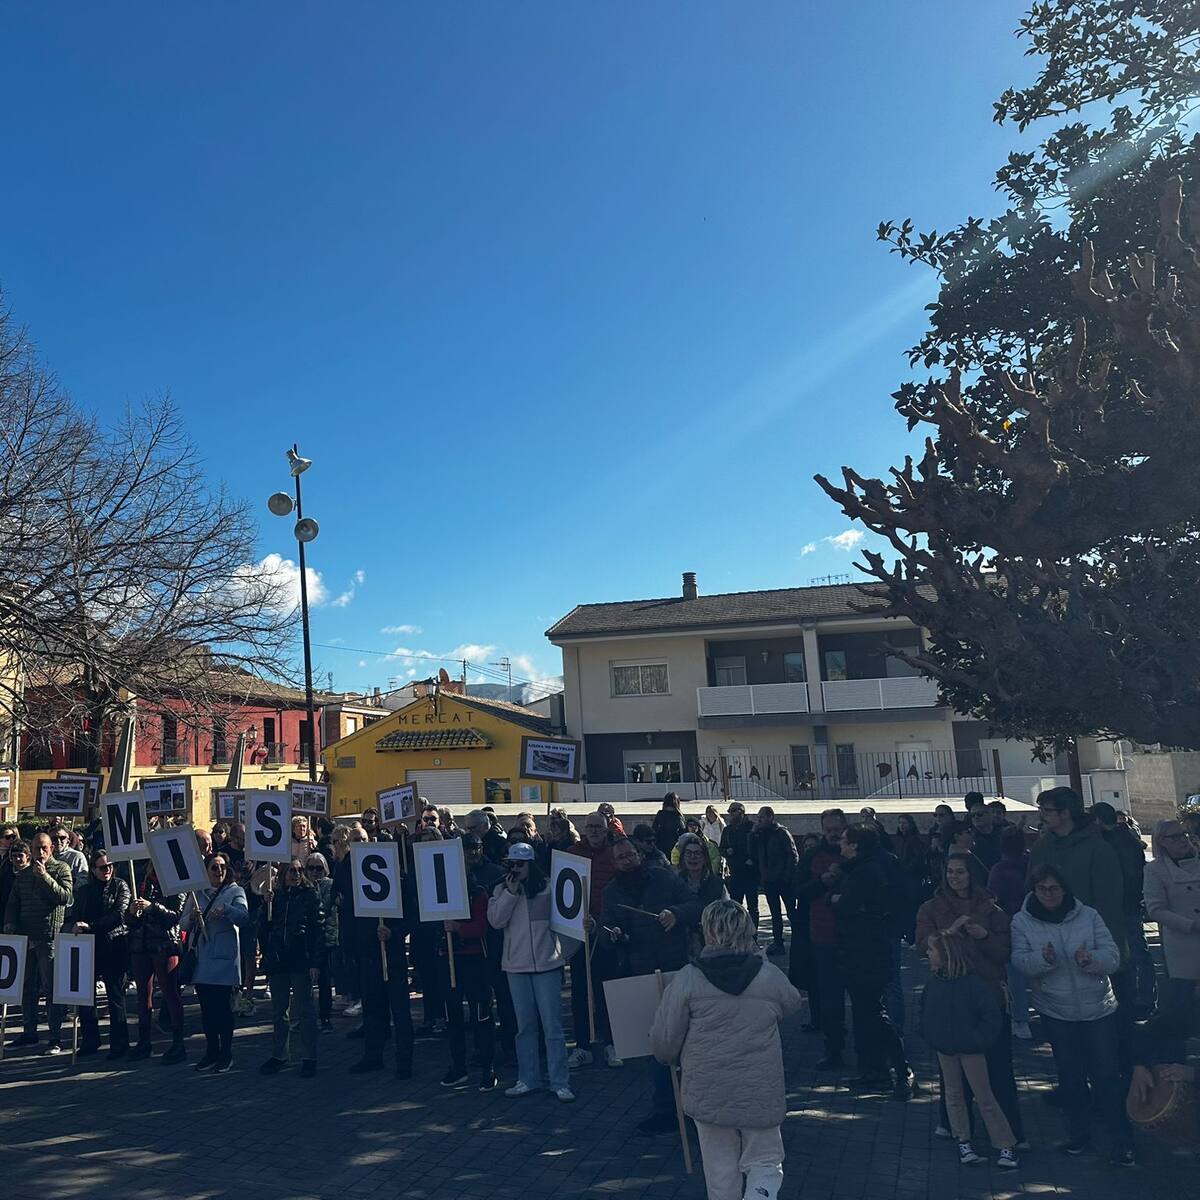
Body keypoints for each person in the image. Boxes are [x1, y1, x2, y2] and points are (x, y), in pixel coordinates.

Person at [651, 899, 801, 1200]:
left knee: (720, 1172)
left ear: (707, 931)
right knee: (765, 1161)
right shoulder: (768, 976)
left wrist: (669, 1057)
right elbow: (792, 1004)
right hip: (759, 1089)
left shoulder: (688, 979)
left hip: (708, 1089)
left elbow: (665, 1041)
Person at [1011, 864, 1133, 1164]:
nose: (1049, 894)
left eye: (1054, 888)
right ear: (1033, 891)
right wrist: (1043, 959)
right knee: (1071, 1076)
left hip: (1098, 1008)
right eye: (1042, 889)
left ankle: (1122, 1139)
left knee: (1106, 1075)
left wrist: (1090, 959)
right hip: (1056, 1010)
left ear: (1064, 889)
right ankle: (1079, 1135)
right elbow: (1020, 961)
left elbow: (1113, 957)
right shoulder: (1021, 921)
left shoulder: (1089, 915)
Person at [917, 852, 1025, 1143]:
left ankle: (1011, 1133)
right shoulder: (932, 907)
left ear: (972, 874)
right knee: (952, 1073)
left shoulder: (992, 910)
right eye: (950, 872)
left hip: (987, 994)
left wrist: (983, 935)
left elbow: (1004, 952)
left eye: (960, 872)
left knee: (999, 1069)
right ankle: (956, 1129)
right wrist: (948, 934)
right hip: (952, 997)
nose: (954, 877)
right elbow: (921, 944)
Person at [602, 836, 703, 1134]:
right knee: (655, 1047)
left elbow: (695, 905)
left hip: (675, 968)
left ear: (639, 854)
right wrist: (612, 933)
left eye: (631, 854)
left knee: (687, 1042)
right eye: (621, 858)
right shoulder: (611, 892)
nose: (628, 860)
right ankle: (664, 1109)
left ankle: (694, 1108)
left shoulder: (663, 877)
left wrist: (677, 914)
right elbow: (606, 935)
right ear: (614, 863)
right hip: (640, 973)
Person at [921, 931, 1019, 1170]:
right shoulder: (934, 984)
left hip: (971, 1049)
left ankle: (1005, 1144)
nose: (927, 953)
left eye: (932, 950)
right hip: (946, 1049)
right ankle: (963, 1140)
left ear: (946, 955)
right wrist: (932, 1036)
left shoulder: (974, 985)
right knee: (953, 1095)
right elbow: (925, 1013)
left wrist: (978, 1040)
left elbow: (991, 1017)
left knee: (985, 1096)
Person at [487, 842, 575, 1102]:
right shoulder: (501, 889)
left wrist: (563, 954)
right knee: (524, 1027)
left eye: (521, 863)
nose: (516, 868)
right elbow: (496, 921)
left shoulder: (549, 888)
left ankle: (560, 1081)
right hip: (516, 966)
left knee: (553, 1027)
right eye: (512, 863)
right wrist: (510, 893)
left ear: (531, 864)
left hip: (547, 965)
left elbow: (566, 920)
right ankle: (528, 1078)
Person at [830, 824, 912, 1099]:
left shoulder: (866, 870)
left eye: (844, 841)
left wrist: (837, 899)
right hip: (862, 949)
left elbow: (845, 906)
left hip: (868, 951)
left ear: (854, 845)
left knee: (874, 1013)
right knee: (865, 1014)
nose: (840, 846)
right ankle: (873, 1071)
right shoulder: (871, 865)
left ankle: (902, 1071)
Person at [3, 833, 73, 1052]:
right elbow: (13, 903)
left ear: (51, 848)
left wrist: (44, 877)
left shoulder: (61, 869)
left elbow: (65, 897)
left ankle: (54, 1037)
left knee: (50, 988)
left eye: (44, 848)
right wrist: (10, 923)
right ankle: (29, 1032)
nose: (40, 853)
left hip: (48, 938)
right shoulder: (22, 875)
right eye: (36, 848)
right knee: (27, 988)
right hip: (26, 939)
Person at [347, 867, 417, 1079]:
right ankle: (373, 1056)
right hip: (370, 956)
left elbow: (412, 918)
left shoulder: (401, 882)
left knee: (401, 1011)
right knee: (372, 1010)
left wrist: (393, 932)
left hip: (393, 957)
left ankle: (404, 1062)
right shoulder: (360, 882)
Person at [441, 833, 499, 1091]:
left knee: (481, 1016)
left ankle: (488, 1067)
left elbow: (482, 926)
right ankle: (458, 1066)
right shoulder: (441, 895)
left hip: (475, 961)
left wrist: (458, 929)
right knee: (453, 1017)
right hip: (451, 961)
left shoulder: (478, 893)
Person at [181, 852, 248, 1072]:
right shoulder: (195, 892)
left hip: (224, 959)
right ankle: (211, 1051)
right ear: (205, 870)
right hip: (202, 959)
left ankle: (226, 1053)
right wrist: (191, 918)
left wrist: (227, 910)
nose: (219, 871)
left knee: (223, 1010)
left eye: (222, 867)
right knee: (207, 1010)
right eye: (214, 867)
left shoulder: (235, 891)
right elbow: (182, 923)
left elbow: (243, 916)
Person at [258, 859, 321, 1078]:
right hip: (279, 959)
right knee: (279, 1010)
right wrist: (265, 905)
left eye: (299, 870)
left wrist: (315, 961)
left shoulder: (310, 895)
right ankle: (280, 1054)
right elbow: (264, 928)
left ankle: (309, 1057)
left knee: (305, 1009)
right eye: (292, 871)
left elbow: (317, 929)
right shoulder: (276, 897)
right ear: (283, 874)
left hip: (300, 959)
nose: (296, 874)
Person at [1093, 801, 1157, 1017]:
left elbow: (1127, 877)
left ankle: (1139, 998)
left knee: (1132, 952)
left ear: (1098, 821)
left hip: (1122, 905)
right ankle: (1144, 997)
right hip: (1129, 903)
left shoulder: (1113, 843)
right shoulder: (1128, 839)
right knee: (1136, 951)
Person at [567, 812, 621, 1070]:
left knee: (606, 991)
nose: (594, 831)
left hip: (605, 932)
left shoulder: (614, 854)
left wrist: (604, 921)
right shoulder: (571, 853)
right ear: (584, 829)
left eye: (598, 826)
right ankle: (582, 1046)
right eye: (590, 827)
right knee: (579, 992)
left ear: (606, 828)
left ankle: (611, 1043)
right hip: (580, 932)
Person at [69, 849, 130, 1059]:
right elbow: (77, 913)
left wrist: (91, 926)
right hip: (89, 947)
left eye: (110, 866)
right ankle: (90, 1040)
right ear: (93, 869)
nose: (108, 870)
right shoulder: (85, 891)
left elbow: (119, 915)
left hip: (114, 945)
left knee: (115, 996)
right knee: (87, 999)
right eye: (103, 867)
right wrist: (77, 926)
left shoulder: (120, 885)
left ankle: (119, 1044)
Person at [798, 809, 847, 1061]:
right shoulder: (811, 857)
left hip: (853, 936)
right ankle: (833, 1048)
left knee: (863, 997)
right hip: (822, 934)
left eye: (836, 830)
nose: (832, 834)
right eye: (827, 830)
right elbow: (800, 891)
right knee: (830, 996)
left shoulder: (854, 854)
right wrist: (822, 883)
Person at [1142, 818, 1200, 1023]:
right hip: (1183, 945)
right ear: (1161, 841)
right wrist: (1190, 925)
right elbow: (1155, 909)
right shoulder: (1155, 870)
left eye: (1184, 834)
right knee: (1184, 1002)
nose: (1182, 840)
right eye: (1174, 836)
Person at [127, 862, 185, 1062]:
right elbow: (131, 921)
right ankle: (144, 1043)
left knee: (170, 993)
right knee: (143, 994)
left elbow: (176, 915)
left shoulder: (176, 882)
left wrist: (152, 907)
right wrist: (133, 914)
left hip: (164, 944)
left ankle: (179, 1044)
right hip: (141, 945)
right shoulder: (142, 881)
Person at [987, 826, 1034, 1038]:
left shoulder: (999, 869)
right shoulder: (1031, 864)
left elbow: (994, 899)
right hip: (1033, 922)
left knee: (1015, 975)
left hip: (1009, 923)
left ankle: (1020, 1018)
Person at [755, 807, 799, 957]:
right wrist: (753, 834)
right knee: (775, 913)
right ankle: (778, 942)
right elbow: (753, 852)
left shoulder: (781, 833)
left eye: (762, 817)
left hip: (784, 880)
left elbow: (792, 855)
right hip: (769, 880)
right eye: (758, 817)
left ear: (770, 817)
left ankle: (800, 938)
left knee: (791, 911)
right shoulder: (760, 834)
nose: (759, 820)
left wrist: (787, 876)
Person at [677, 835, 728, 958]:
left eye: (697, 854)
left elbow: (727, 912)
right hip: (681, 942)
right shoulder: (675, 882)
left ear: (705, 858)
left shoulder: (717, 884)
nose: (693, 857)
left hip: (712, 941)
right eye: (688, 853)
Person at [306, 852, 338, 1032]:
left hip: (325, 937)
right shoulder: (302, 886)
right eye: (311, 868)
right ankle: (305, 1016)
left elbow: (325, 907)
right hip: (306, 939)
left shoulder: (330, 885)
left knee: (324, 981)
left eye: (319, 868)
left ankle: (325, 1017)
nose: (315, 872)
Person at [718, 802, 759, 926]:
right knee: (735, 907)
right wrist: (727, 851)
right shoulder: (728, 830)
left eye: (733, 811)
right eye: (730, 811)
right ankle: (737, 933)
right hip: (735, 873)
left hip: (750, 873)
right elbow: (721, 848)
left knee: (752, 907)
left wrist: (753, 859)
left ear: (741, 812)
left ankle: (754, 935)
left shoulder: (752, 827)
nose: (730, 814)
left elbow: (759, 847)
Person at [51, 825, 89, 890]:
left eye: (62, 838)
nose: (58, 841)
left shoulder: (77, 856)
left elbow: (83, 880)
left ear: (68, 840)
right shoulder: (45, 856)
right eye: (54, 838)